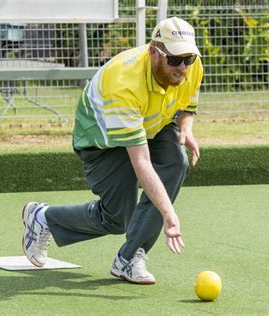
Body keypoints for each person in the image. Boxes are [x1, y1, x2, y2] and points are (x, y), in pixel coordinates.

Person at [21, 16, 203, 285]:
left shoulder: (192, 65)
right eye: (174, 60)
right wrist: (169, 214)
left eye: (187, 58)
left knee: (177, 161)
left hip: (152, 122)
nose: (183, 67)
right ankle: (43, 217)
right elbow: (141, 163)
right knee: (117, 219)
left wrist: (186, 128)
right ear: (154, 51)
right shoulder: (125, 82)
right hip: (101, 138)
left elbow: (187, 104)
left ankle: (129, 258)